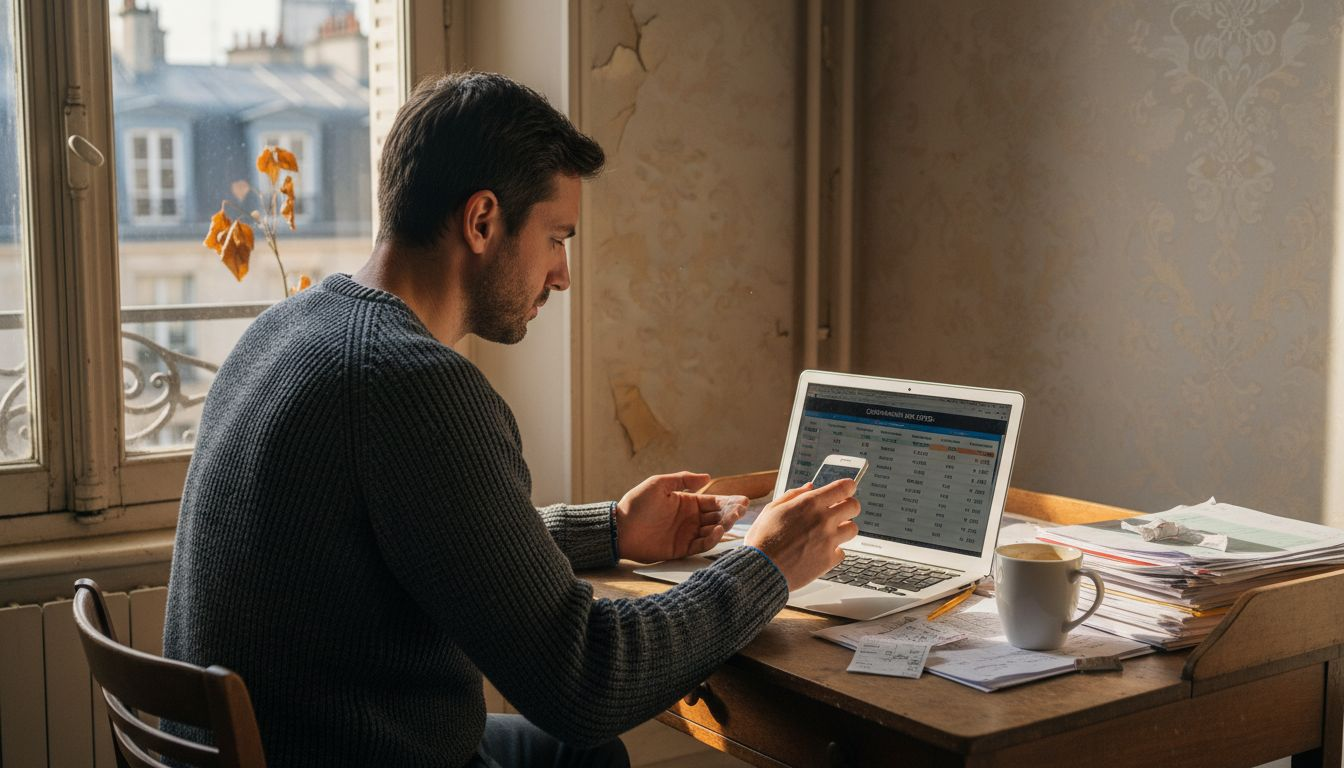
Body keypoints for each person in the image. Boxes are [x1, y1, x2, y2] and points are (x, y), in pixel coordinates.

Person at [163, 71, 860, 768]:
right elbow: (585, 683)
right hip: (346, 752)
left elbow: (433, 545)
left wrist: (613, 530)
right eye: (557, 238)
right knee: (587, 744)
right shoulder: (412, 385)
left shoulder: (288, 327)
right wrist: (765, 566)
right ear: (482, 221)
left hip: (268, 746)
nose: (562, 275)